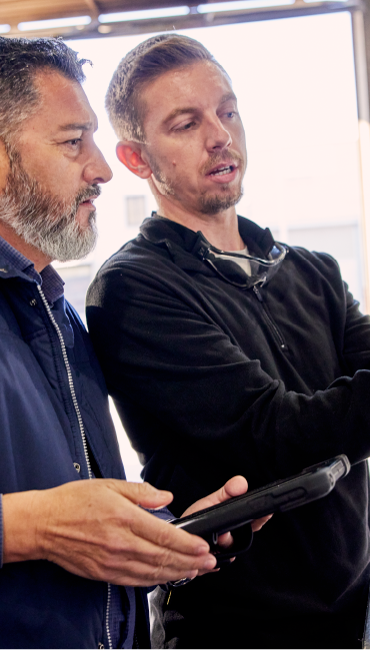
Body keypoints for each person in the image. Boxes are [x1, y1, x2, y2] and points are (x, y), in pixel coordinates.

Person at [0, 35, 255, 650]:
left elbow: (63, 508)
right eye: (71, 142)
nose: (102, 168)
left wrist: (170, 529)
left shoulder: (54, 314)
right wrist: (27, 529)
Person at [86, 33, 370, 650]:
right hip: (235, 629)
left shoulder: (313, 269)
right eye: (186, 123)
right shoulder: (133, 290)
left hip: (352, 613)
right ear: (136, 160)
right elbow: (276, 436)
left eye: (228, 111)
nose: (220, 135)